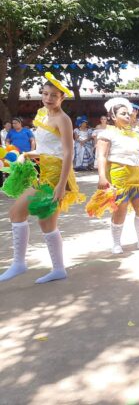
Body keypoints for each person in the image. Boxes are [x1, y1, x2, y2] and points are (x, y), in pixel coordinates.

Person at [0, 73, 85, 283]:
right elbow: (45, 147)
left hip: (55, 174)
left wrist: (61, 184)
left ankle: (20, 264)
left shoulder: (63, 119)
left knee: (17, 212)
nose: (48, 98)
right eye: (45, 94)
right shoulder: (42, 114)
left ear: (62, 98)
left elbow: (67, 153)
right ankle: (56, 269)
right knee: (46, 223)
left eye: (54, 95)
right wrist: (26, 154)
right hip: (42, 169)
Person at [89, 98, 139, 253]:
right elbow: (101, 156)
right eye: (123, 113)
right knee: (120, 210)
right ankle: (116, 243)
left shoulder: (137, 136)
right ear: (113, 117)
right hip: (118, 176)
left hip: (137, 177)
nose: (128, 116)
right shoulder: (106, 134)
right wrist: (102, 176)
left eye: (129, 113)